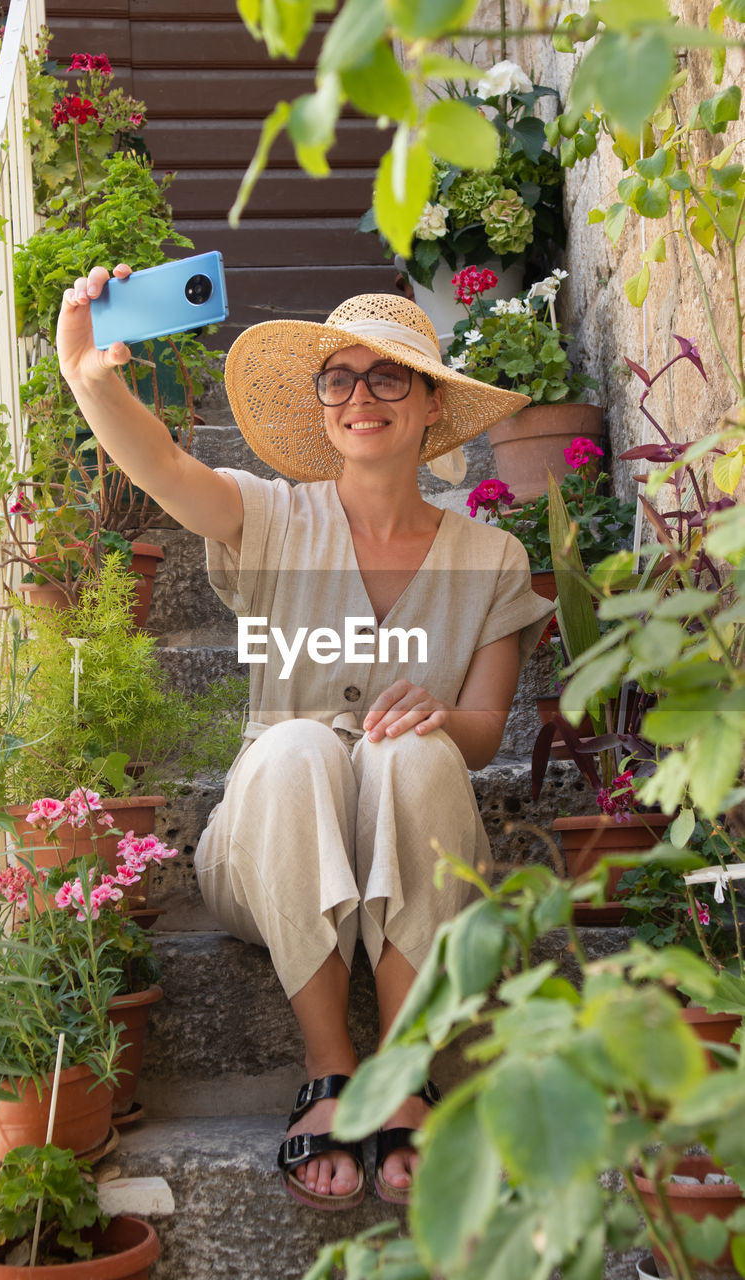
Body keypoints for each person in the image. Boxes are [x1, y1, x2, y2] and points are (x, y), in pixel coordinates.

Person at [56, 271, 554, 1211]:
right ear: (321, 405)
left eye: (387, 378)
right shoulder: (275, 517)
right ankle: (334, 1073)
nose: (360, 397)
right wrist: (91, 377)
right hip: (269, 848)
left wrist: (439, 720)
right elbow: (165, 469)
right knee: (296, 748)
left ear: (431, 402)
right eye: (340, 379)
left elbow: (486, 734)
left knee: (412, 752)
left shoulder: (494, 558)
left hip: (419, 837)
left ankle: (404, 1068)